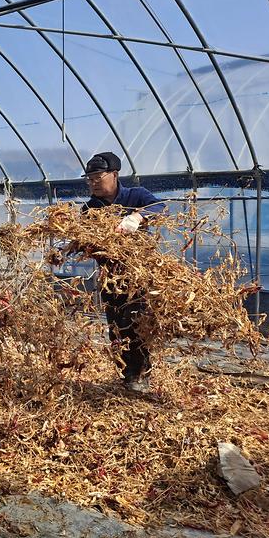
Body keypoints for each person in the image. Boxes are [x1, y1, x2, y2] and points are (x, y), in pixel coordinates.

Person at [81, 152, 164, 393]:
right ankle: (126, 374)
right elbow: (85, 238)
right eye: (89, 179)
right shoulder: (90, 208)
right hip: (110, 278)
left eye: (97, 177)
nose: (93, 183)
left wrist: (137, 216)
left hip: (137, 277)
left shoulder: (135, 195)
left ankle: (141, 375)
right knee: (116, 327)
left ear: (114, 175)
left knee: (136, 324)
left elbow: (161, 207)